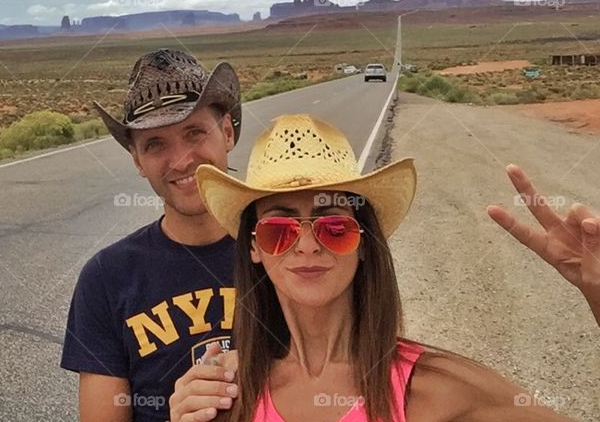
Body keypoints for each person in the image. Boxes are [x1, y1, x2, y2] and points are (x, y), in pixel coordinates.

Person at [168, 113, 596, 422]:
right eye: (279, 229)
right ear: (254, 247)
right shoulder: (227, 394)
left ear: (364, 244)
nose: (308, 245)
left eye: (334, 227)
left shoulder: (435, 388)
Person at [60, 48, 242, 422]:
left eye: (195, 133)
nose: (181, 160)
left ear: (227, 132)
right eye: (155, 144)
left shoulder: (286, 247)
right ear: (138, 161)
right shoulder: (107, 278)